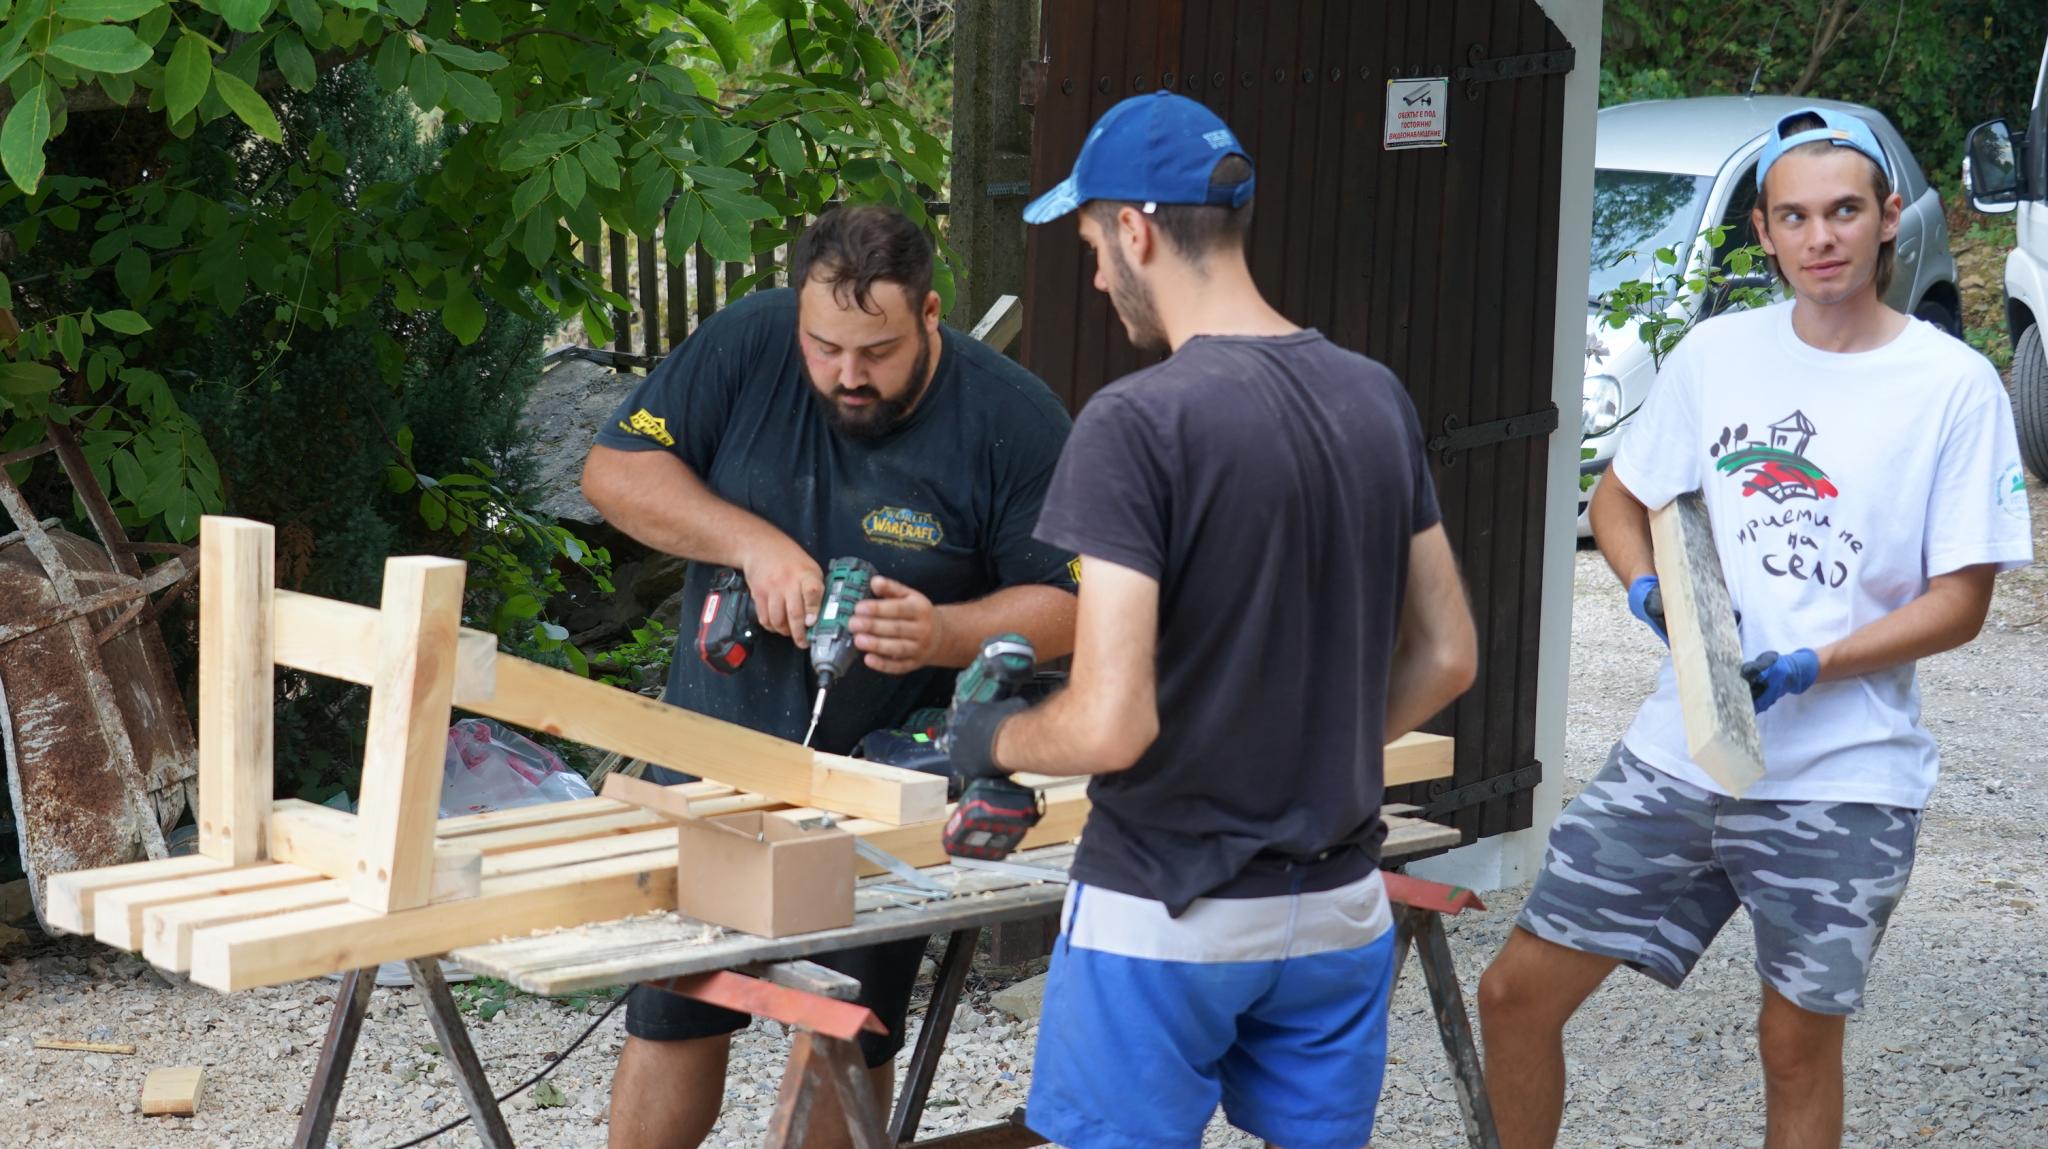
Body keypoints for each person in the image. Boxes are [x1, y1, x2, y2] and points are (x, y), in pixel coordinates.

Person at [1477, 107, 2035, 1149]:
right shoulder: (1715, 353)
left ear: (1887, 220)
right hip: (1681, 750)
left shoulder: (1953, 386)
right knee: (1513, 996)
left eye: (1843, 212)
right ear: (1764, 233)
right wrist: (1650, 590)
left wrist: (1817, 663)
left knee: (1792, 1049)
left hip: (1845, 776)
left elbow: (1960, 603)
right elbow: (1620, 499)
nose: (1820, 237)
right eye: (1795, 217)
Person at [942, 90, 1479, 1149]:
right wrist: (1311, 754)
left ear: (1134, 229)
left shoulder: (1135, 423)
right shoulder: (1372, 395)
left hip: (1164, 912)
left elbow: (1111, 723)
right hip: (1336, 907)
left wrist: (992, 737)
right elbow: (1449, 653)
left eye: (1093, 247)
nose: (1097, 277)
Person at [581, 203, 1080, 1149]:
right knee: (676, 1008)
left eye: (877, 351)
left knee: (843, 1023)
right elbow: (613, 473)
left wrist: (943, 632)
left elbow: (1078, 603)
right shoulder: (747, 344)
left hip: (885, 789)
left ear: (929, 313)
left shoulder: (1010, 420)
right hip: (716, 755)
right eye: (825, 347)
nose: (848, 373)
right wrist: (751, 543)